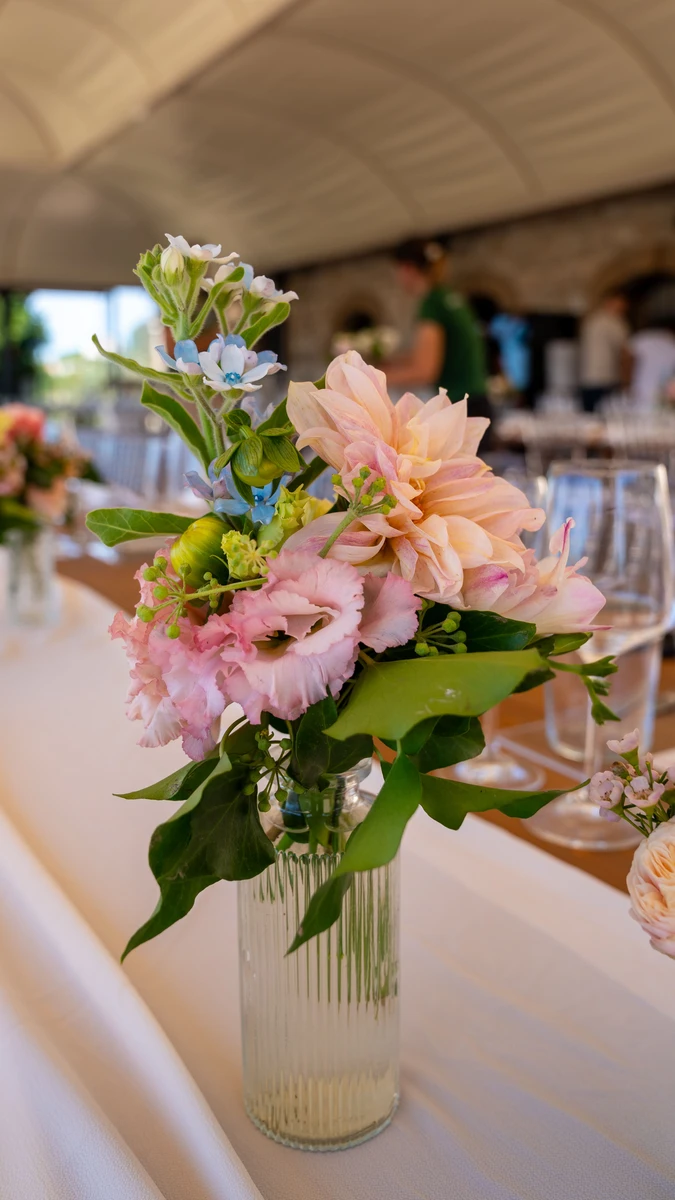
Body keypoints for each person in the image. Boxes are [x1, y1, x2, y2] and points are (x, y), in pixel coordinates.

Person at [383, 238, 490, 421]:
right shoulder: (449, 298)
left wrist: (372, 378)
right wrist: (388, 362)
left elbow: (424, 370)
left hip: (461, 407)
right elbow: (435, 354)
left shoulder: (433, 304)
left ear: (407, 268)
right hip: (476, 401)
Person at [578, 290, 629, 412]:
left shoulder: (590, 320)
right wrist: (626, 381)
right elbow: (625, 351)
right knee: (609, 420)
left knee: (589, 419)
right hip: (607, 378)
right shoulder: (616, 323)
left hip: (587, 378)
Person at [627, 318, 675, 410]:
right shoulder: (643, 339)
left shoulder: (641, 337)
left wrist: (626, 384)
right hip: (662, 393)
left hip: (642, 391)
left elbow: (626, 359)